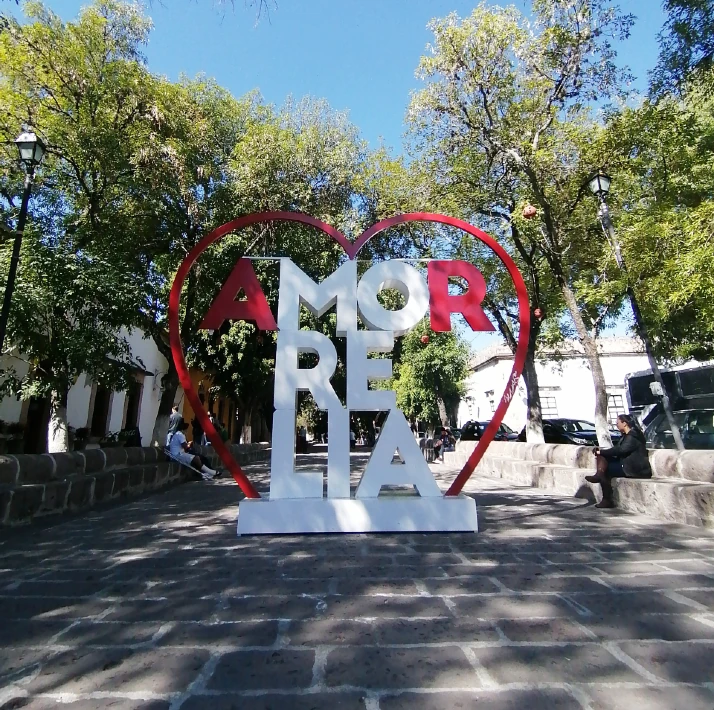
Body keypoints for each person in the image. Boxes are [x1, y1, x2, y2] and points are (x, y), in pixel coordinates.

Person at [585, 414, 652, 509]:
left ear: (624, 423)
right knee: (602, 460)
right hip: (627, 465)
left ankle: (606, 499)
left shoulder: (633, 436)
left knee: (605, 471)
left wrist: (601, 452)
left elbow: (621, 450)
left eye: (618, 423)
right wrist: (602, 453)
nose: (617, 425)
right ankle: (599, 476)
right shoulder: (626, 436)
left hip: (634, 469)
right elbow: (617, 449)